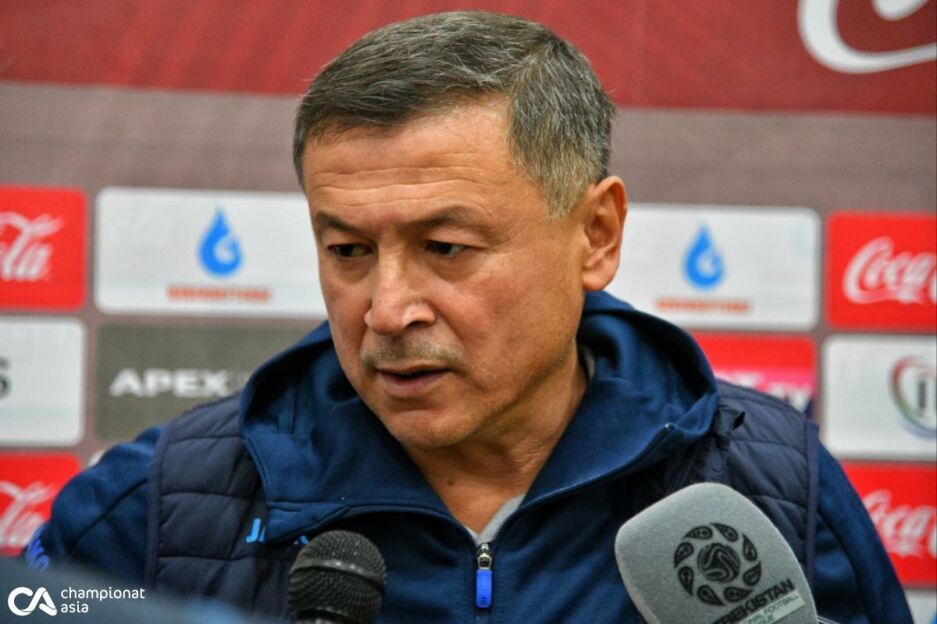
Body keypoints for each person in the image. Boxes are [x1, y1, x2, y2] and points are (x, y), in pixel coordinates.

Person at [26, 11, 909, 623]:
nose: (386, 311)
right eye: (347, 250)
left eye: (445, 247)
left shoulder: (772, 486)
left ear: (595, 235)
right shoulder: (152, 510)